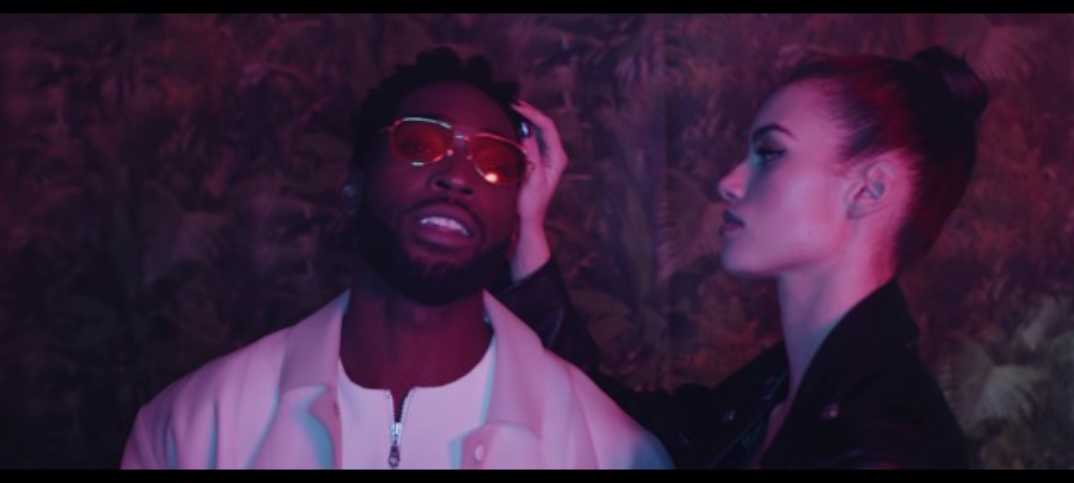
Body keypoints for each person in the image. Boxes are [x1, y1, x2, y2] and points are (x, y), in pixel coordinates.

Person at [120, 47, 670, 469]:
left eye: (495, 161)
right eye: (420, 144)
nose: (457, 176)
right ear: (354, 185)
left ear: (516, 212)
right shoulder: (197, 426)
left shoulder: (608, 448)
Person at [524, 46, 989, 469]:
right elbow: (622, 432)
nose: (729, 183)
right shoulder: (775, 388)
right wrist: (526, 231)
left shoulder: (885, 443)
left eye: (770, 153)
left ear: (870, 190)